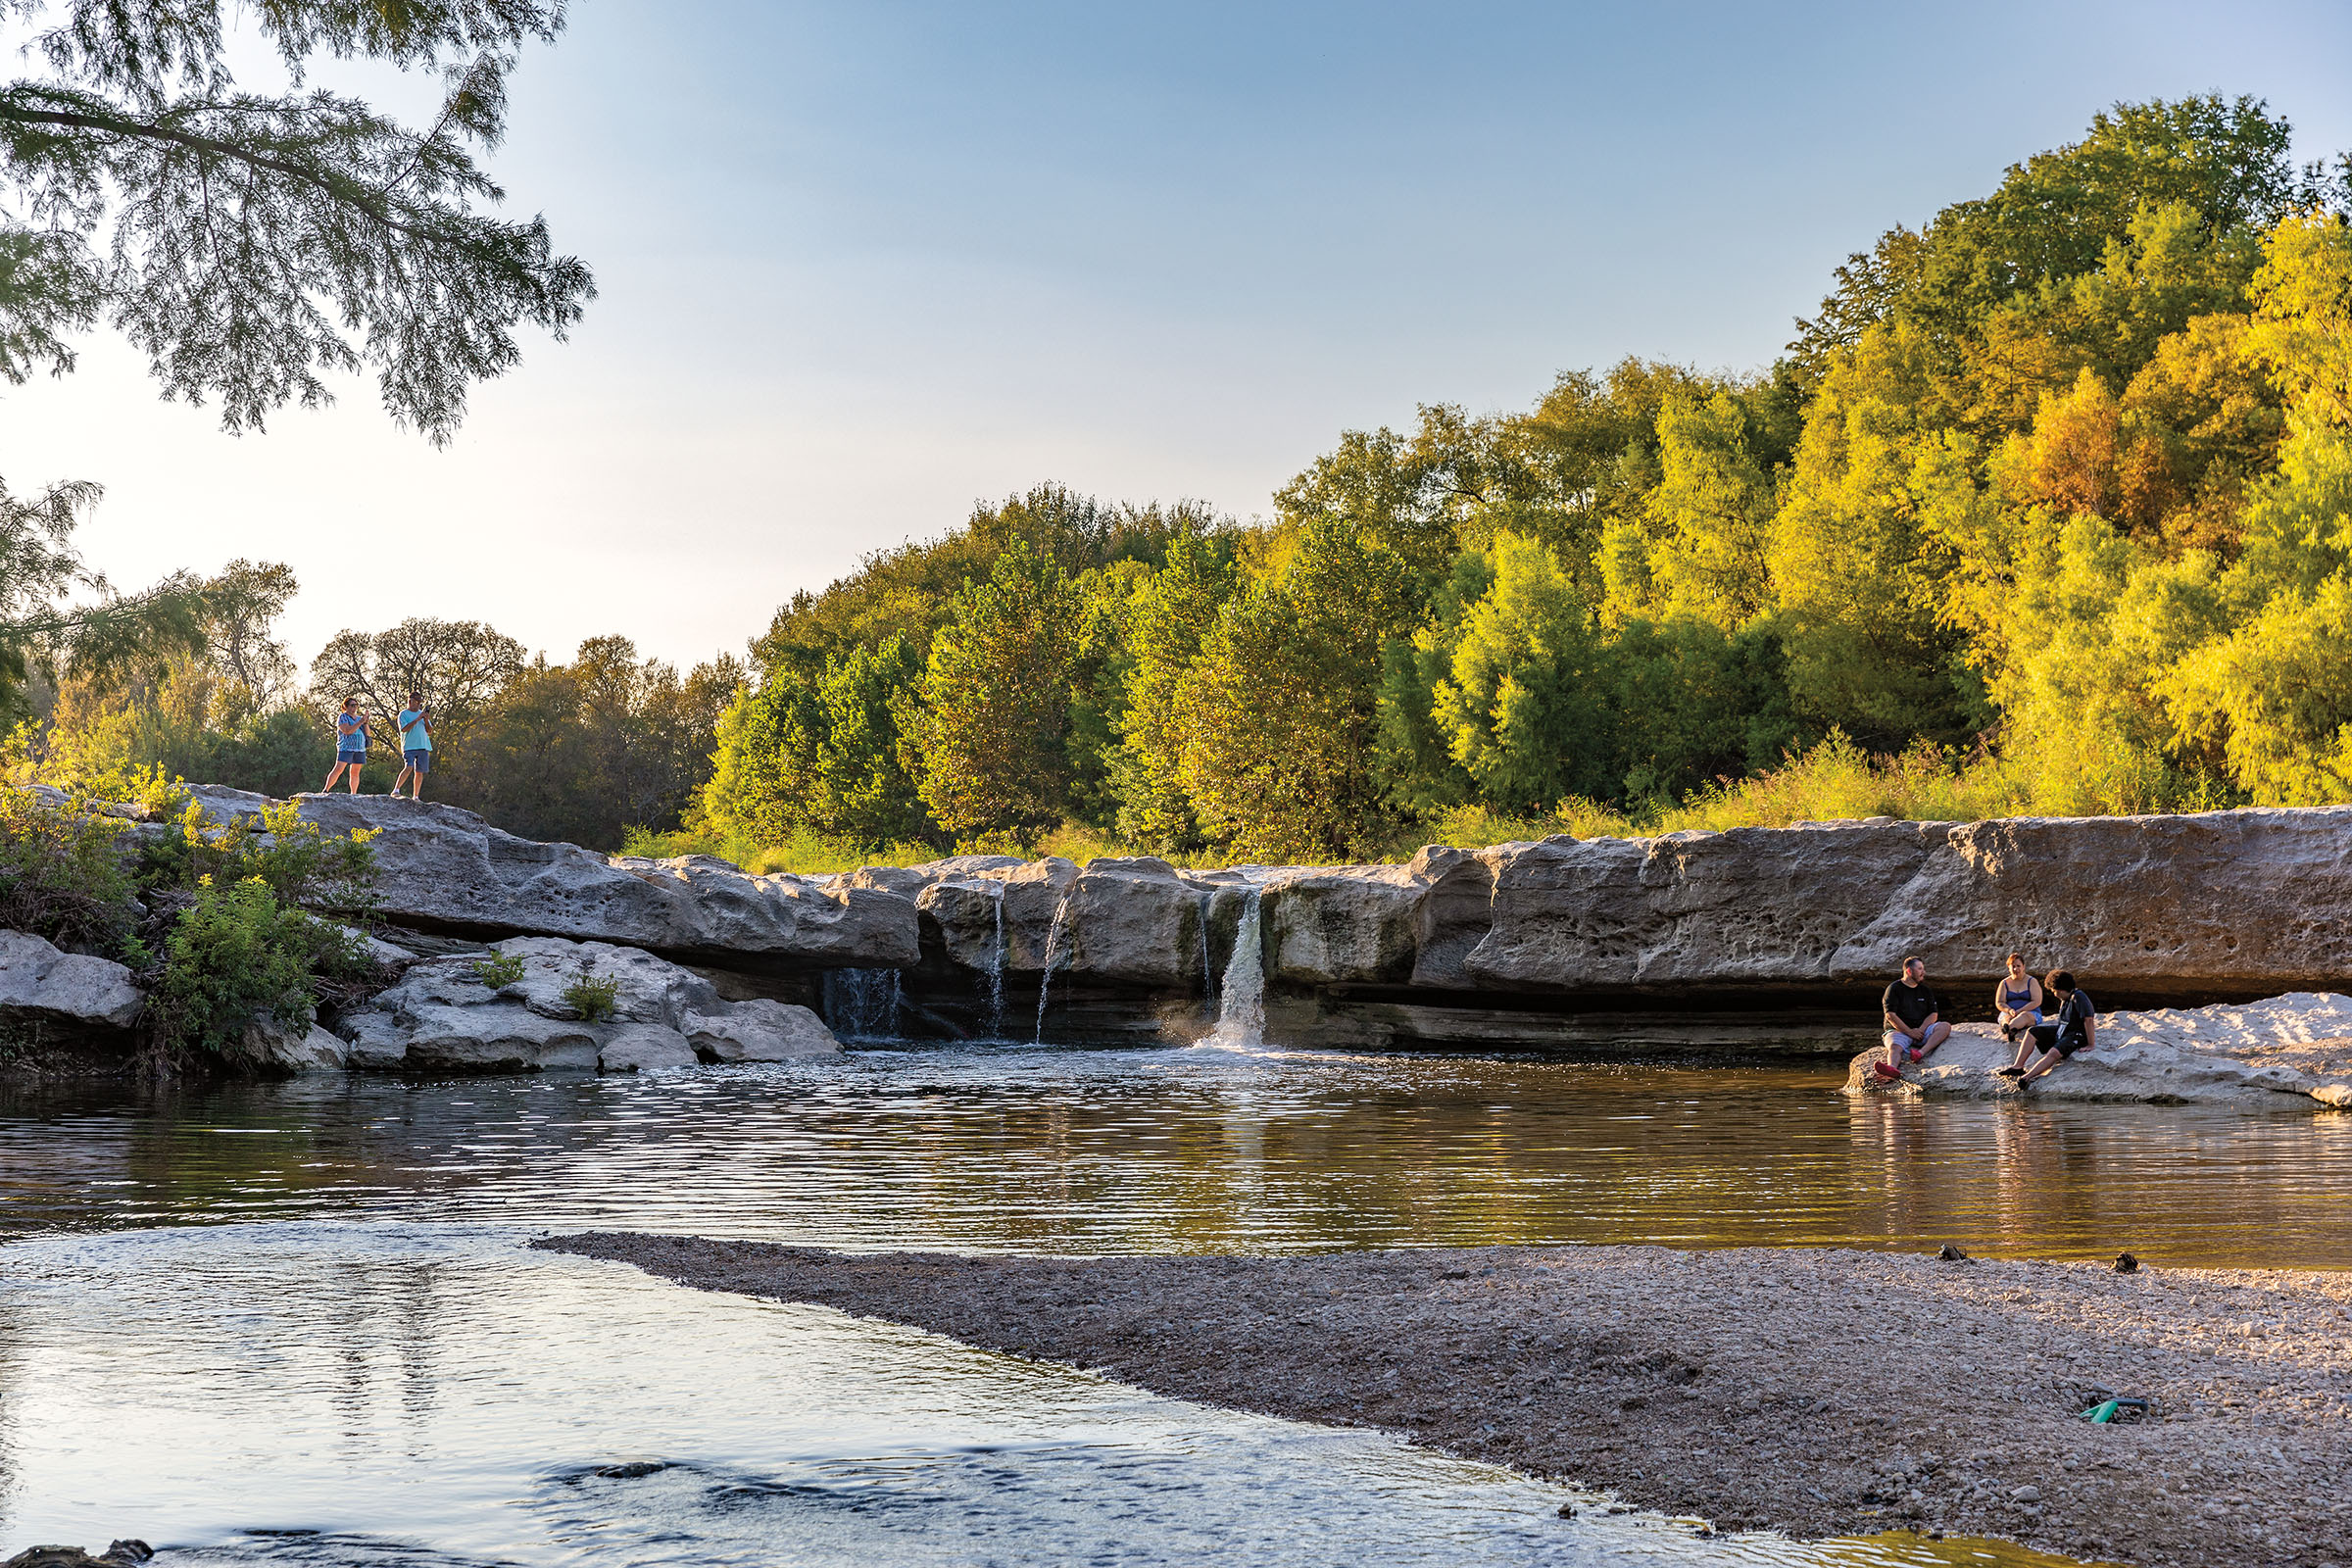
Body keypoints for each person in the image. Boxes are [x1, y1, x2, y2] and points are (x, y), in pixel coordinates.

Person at [2001, 970, 2095, 1087]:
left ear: (2060, 990)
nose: (2054, 994)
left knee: (2053, 1053)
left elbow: (2089, 1020)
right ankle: (2018, 1066)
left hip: (2076, 1035)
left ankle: (2026, 1078)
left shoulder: (2079, 997)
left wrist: (2091, 1044)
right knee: (2032, 1032)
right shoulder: (2065, 999)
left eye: (2053, 991)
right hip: (2063, 1031)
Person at [1872, 956, 1950, 1082]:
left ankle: (1920, 1053)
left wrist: (1921, 1030)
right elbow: (1890, 1015)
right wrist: (1909, 1031)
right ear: (1909, 971)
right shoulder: (1894, 989)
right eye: (1919, 969)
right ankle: (1892, 1068)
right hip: (1900, 1030)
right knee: (1894, 1046)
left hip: (1922, 1030)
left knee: (1945, 1026)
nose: (1923, 972)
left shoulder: (1925, 990)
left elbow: (1933, 1014)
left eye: (1923, 969)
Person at [320, 697, 370, 794]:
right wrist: (360, 722)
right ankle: (326, 789)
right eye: (352, 705)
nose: (354, 708)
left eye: (356, 705)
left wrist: (366, 723)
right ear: (346, 706)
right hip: (346, 747)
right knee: (339, 769)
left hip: (360, 748)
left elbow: (368, 734)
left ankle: (353, 793)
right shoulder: (343, 717)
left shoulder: (360, 718)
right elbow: (347, 731)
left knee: (355, 772)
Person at [1992, 953, 2043, 1047]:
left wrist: (2020, 1011)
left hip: (2030, 1012)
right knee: (2006, 1018)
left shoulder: (2032, 981)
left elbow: (2037, 1001)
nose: (2016, 969)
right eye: (2013, 966)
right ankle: (2008, 1027)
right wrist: (2009, 1010)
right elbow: (1999, 1002)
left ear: (2023, 966)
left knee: (2024, 1016)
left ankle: (2009, 1029)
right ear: (2009, 968)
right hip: (2010, 1012)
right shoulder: (2004, 983)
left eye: (2018, 966)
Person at [390, 690, 433, 801]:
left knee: (419, 771)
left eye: (416, 702)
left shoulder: (422, 714)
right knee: (409, 766)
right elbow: (404, 729)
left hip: (423, 746)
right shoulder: (403, 714)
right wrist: (417, 719)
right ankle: (396, 790)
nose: (413, 703)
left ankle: (416, 796)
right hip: (409, 746)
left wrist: (426, 720)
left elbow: (430, 731)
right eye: (412, 701)